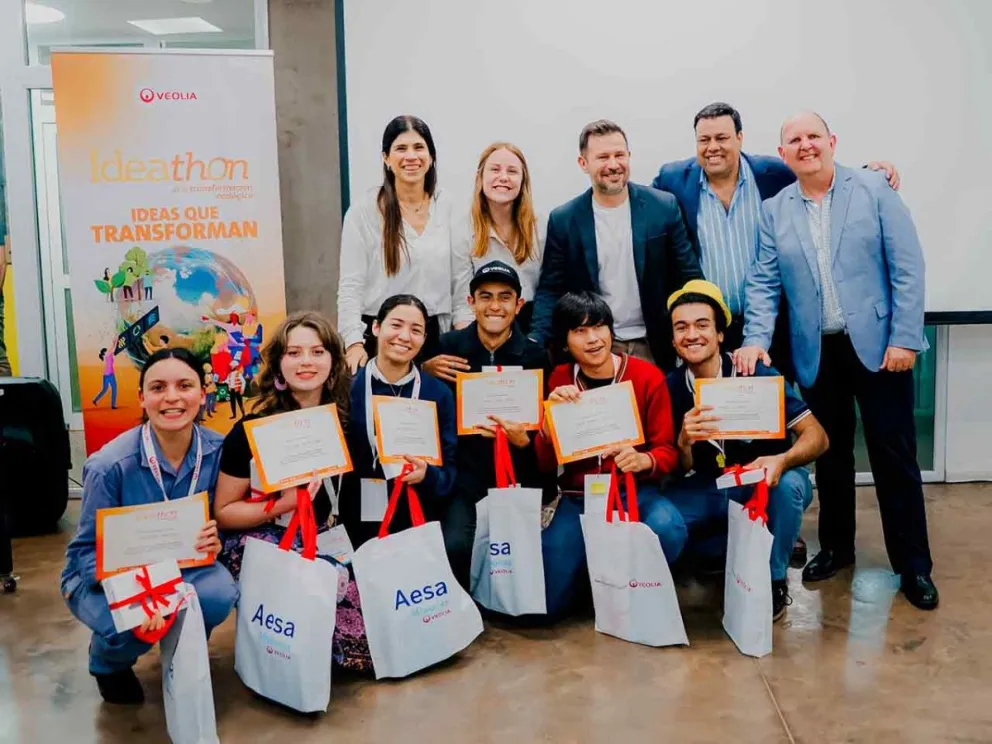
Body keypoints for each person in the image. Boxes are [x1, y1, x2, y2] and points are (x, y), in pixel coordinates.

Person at [735, 111, 937, 610]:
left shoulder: (872, 189)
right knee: (832, 455)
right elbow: (763, 282)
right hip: (817, 350)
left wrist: (906, 339)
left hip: (879, 348)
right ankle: (839, 549)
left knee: (894, 457)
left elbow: (907, 267)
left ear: (831, 142)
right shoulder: (775, 208)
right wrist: (756, 338)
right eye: (793, 141)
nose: (805, 146)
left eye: (813, 137)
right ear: (782, 155)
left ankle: (913, 566)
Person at [652, 102, 900, 370]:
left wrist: (869, 171)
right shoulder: (674, 179)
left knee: (773, 407)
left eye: (722, 138)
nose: (713, 147)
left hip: (772, 328)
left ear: (740, 138)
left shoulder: (774, 174)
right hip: (707, 329)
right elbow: (642, 206)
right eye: (704, 139)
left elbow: (820, 172)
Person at [60, 348, 238, 704]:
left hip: (184, 567)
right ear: (142, 398)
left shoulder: (219, 451)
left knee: (219, 593)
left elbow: (226, 515)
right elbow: (84, 552)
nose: (172, 397)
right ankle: (109, 662)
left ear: (203, 394)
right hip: (105, 575)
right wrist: (136, 593)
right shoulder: (109, 465)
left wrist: (217, 538)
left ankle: (184, 650)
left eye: (184, 385)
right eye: (158, 388)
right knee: (132, 623)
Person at [213, 310, 372, 673]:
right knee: (304, 648)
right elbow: (224, 512)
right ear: (278, 365)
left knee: (365, 651)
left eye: (317, 352)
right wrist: (282, 504)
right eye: (294, 352)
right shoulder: (252, 430)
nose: (305, 362)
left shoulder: (347, 429)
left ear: (333, 364)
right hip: (266, 540)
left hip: (328, 541)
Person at [663, 280, 828, 621]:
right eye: (681, 327)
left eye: (702, 325)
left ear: (721, 334)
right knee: (663, 520)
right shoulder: (670, 388)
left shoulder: (755, 374)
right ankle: (722, 551)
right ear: (673, 340)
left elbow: (818, 437)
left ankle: (773, 579)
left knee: (787, 487)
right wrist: (684, 443)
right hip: (711, 486)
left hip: (763, 482)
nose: (691, 335)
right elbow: (678, 469)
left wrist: (781, 460)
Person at [534, 291, 682, 617]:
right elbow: (545, 464)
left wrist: (645, 460)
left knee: (668, 527)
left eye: (599, 327)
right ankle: (597, 581)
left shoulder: (646, 377)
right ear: (564, 341)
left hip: (635, 491)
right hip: (580, 495)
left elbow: (669, 452)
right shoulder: (559, 380)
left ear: (611, 331)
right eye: (580, 331)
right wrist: (546, 429)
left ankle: (635, 585)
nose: (593, 339)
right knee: (548, 601)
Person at [530, 120, 702, 369]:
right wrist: (536, 339)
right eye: (602, 157)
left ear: (629, 156)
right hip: (597, 347)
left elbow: (689, 277)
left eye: (619, 155)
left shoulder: (663, 208)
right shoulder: (564, 220)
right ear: (583, 163)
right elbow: (550, 289)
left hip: (655, 345)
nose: (613, 165)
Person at [423, 261, 552, 587]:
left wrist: (524, 440)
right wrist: (424, 369)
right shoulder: (448, 348)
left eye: (505, 297)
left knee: (529, 561)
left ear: (519, 305)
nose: (495, 306)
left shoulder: (536, 357)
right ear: (471, 302)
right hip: (464, 478)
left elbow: (546, 431)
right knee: (456, 547)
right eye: (485, 296)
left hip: (517, 477)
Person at [338, 295, 458, 547]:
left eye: (416, 330)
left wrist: (429, 475)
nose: (404, 336)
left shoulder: (437, 394)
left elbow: (450, 469)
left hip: (417, 515)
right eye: (396, 325)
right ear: (376, 327)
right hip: (358, 516)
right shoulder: (348, 389)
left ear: (424, 339)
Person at [338, 116, 452, 374]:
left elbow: (461, 277)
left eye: (419, 147)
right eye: (401, 148)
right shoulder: (363, 212)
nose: (411, 156)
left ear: (431, 157)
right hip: (382, 336)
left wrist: (462, 333)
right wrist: (354, 342)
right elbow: (350, 285)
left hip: (435, 335)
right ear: (386, 158)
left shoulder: (448, 206)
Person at [451, 142, 546, 334]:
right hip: (481, 328)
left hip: (532, 326)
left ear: (523, 181)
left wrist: (537, 340)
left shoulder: (542, 226)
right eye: (495, 169)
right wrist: (473, 350)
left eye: (512, 171)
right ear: (480, 177)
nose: (503, 177)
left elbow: (549, 292)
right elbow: (462, 304)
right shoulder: (462, 229)